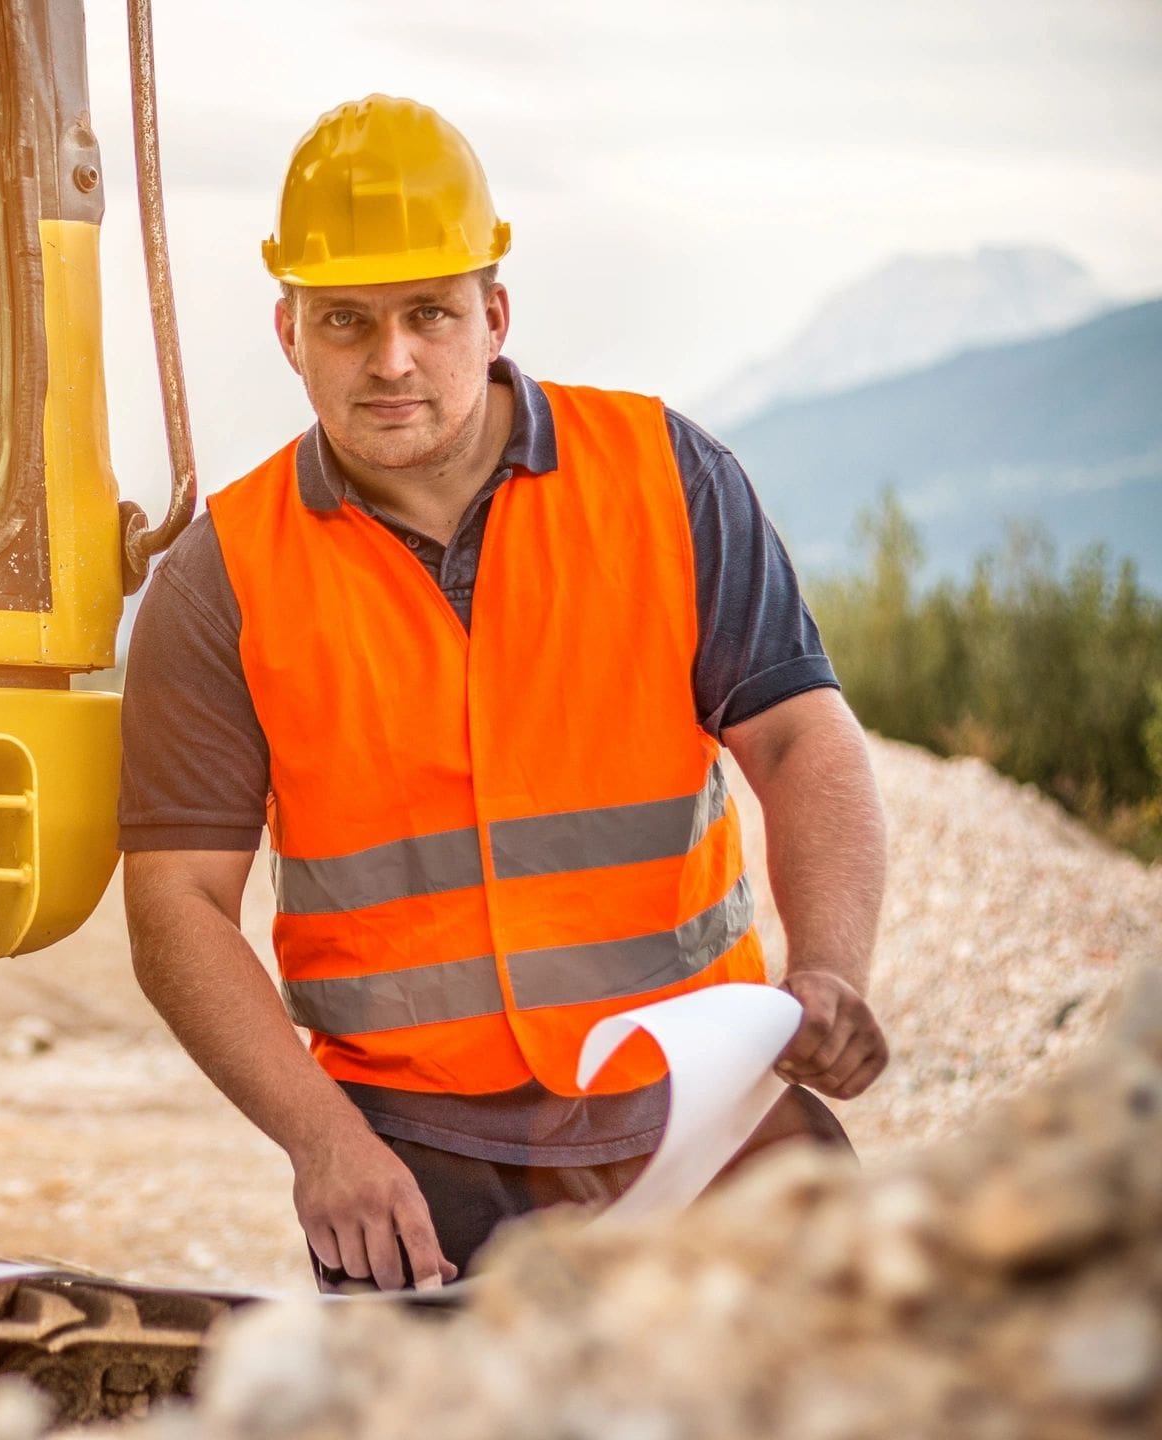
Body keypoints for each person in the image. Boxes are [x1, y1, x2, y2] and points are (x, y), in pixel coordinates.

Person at [118, 96, 890, 1292]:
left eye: (430, 313)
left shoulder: (665, 479)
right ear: (287, 331)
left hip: (705, 1114)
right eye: (345, 321)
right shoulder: (223, 579)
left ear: (495, 313)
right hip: (420, 1161)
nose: (391, 360)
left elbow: (801, 739)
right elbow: (177, 906)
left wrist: (830, 966)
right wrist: (323, 1142)